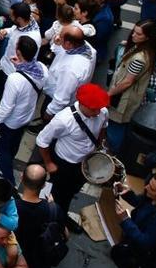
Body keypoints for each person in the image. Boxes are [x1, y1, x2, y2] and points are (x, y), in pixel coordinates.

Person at [36, 83, 109, 222]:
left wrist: (100, 143)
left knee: (70, 191)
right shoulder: (63, 120)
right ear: (83, 105)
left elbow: (103, 127)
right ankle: (50, 214)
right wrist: (49, 163)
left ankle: (59, 212)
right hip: (63, 163)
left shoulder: (102, 111)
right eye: (94, 110)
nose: (98, 112)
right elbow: (42, 140)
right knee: (54, 189)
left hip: (83, 163)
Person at [0, 36, 45, 183]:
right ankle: (3, 163)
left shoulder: (14, 79)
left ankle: (7, 176)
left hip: (10, 121)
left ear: (18, 52)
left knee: (2, 147)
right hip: (26, 117)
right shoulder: (42, 69)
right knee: (14, 143)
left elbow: (6, 107)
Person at [107, 20, 156, 151]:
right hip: (129, 95)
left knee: (116, 125)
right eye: (134, 31)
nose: (133, 35)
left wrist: (109, 93)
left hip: (123, 98)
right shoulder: (147, 51)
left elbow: (127, 81)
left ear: (147, 37)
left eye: (138, 34)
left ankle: (113, 151)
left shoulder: (138, 58)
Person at [13, 165, 63, 268]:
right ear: (44, 185)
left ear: (21, 178)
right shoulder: (53, 209)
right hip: (39, 263)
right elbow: (65, 234)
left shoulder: (11, 208)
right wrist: (53, 206)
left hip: (15, 258)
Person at [44, 26, 98, 118]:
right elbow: (63, 54)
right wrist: (58, 45)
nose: (57, 37)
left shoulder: (70, 69)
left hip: (56, 101)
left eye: (60, 36)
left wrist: (49, 112)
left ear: (68, 44)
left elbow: (62, 97)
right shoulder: (86, 47)